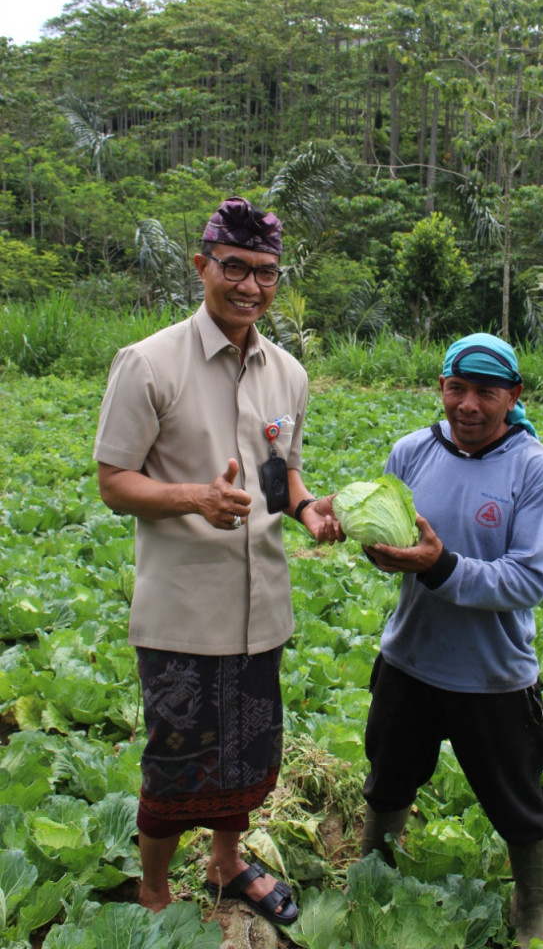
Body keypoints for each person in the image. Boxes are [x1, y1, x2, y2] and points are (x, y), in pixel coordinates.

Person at [93, 196, 342, 922]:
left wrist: (305, 507)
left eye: (265, 273)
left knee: (249, 754)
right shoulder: (148, 363)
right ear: (202, 266)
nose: (250, 286)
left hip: (261, 609)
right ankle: (154, 889)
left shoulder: (287, 373)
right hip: (183, 612)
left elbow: (279, 472)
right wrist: (193, 498)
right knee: (174, 762)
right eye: (234, 268)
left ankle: (228, 863)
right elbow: (114, 482)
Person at [359, 333, 543, 949]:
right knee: (388, 779)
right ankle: (373, 872)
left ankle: (532, 910)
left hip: (493, 673)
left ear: (514, 396)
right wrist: (383, 552)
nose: (468, 405)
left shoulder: (536, 468)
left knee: (517, 804)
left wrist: (439, 565)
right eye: (457, 388)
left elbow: (527, 581)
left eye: (486, 392)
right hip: (409, 658)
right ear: (441, 388)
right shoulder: (411, 451)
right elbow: (390, 538)